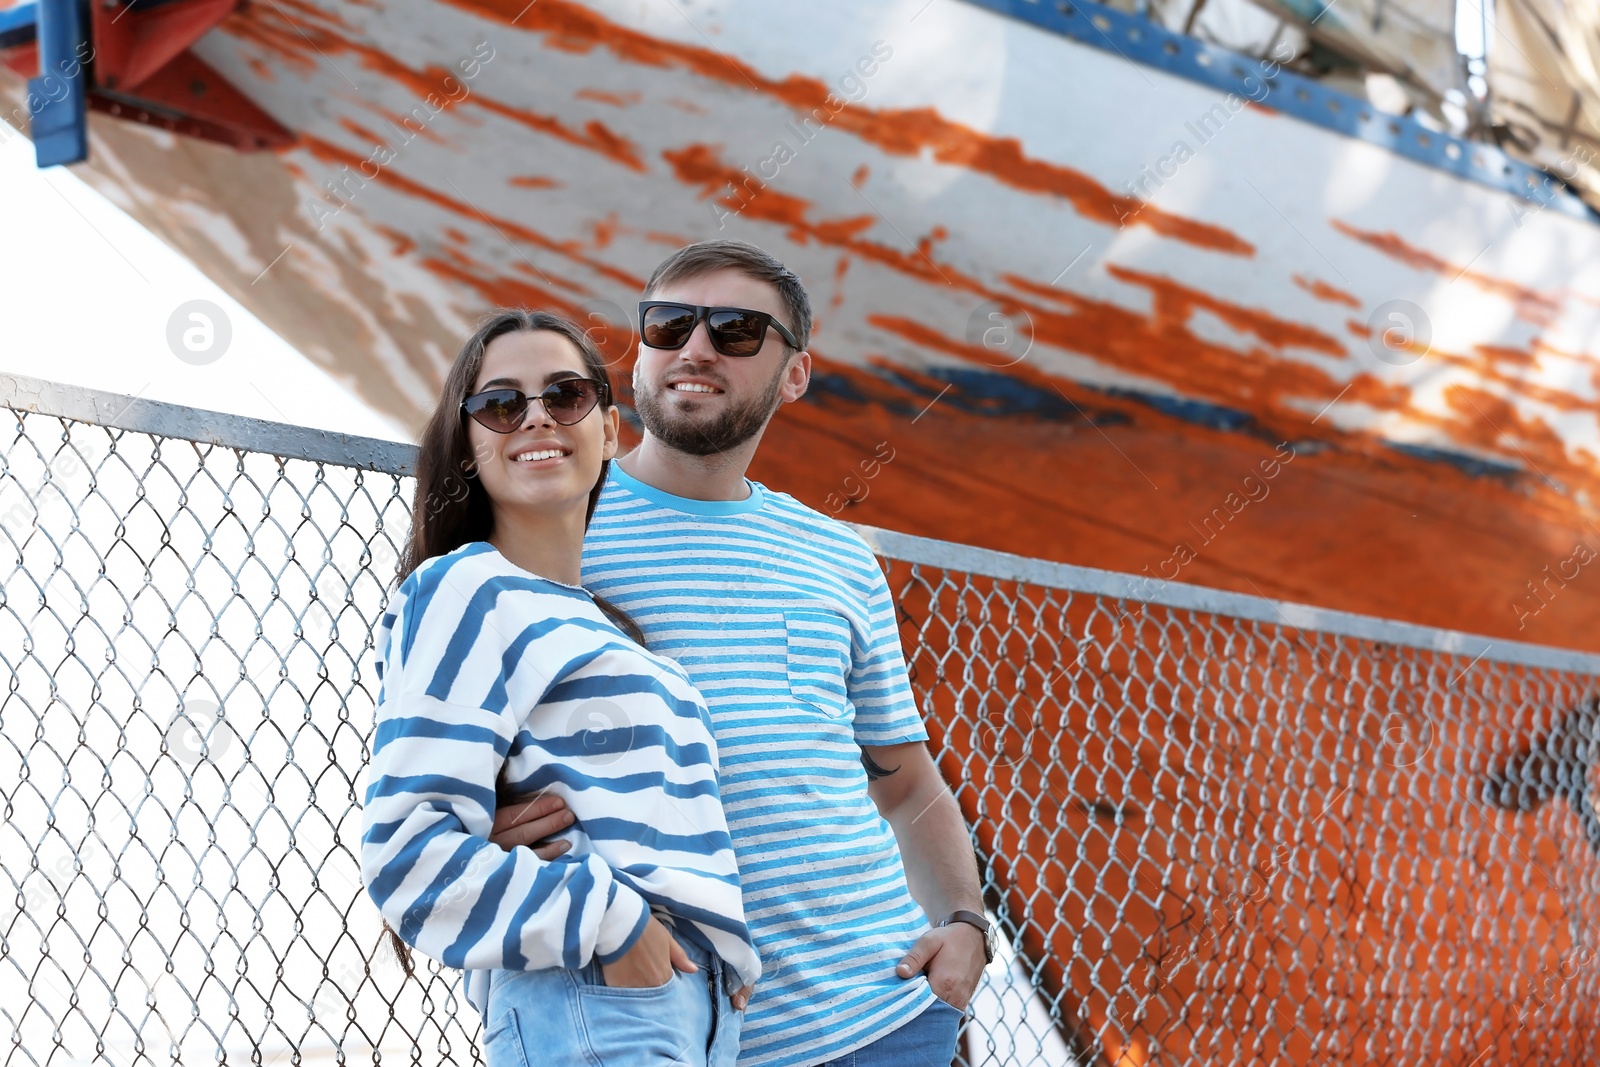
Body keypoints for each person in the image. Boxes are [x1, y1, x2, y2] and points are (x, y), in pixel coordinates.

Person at [489, 243, 991, 1067]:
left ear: (794, 373)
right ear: (639, 350)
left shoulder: (838, 558)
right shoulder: (546, 531)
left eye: (736, 330)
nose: (695, 348)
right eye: (669, 324)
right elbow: (434, 760)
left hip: (884, 1016)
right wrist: (483, 830)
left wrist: (966, 924)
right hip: (653, 1026)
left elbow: (904, 779)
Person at [358, 309, 762, 1067]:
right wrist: (614, 926)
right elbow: (408, 848)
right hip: (595, 989)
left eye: (566, 395)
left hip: (689, 1006)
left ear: (610, 431)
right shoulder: (468, 586)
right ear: (471, 445)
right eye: (502, 404)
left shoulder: (616, 634)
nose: (537, 416)